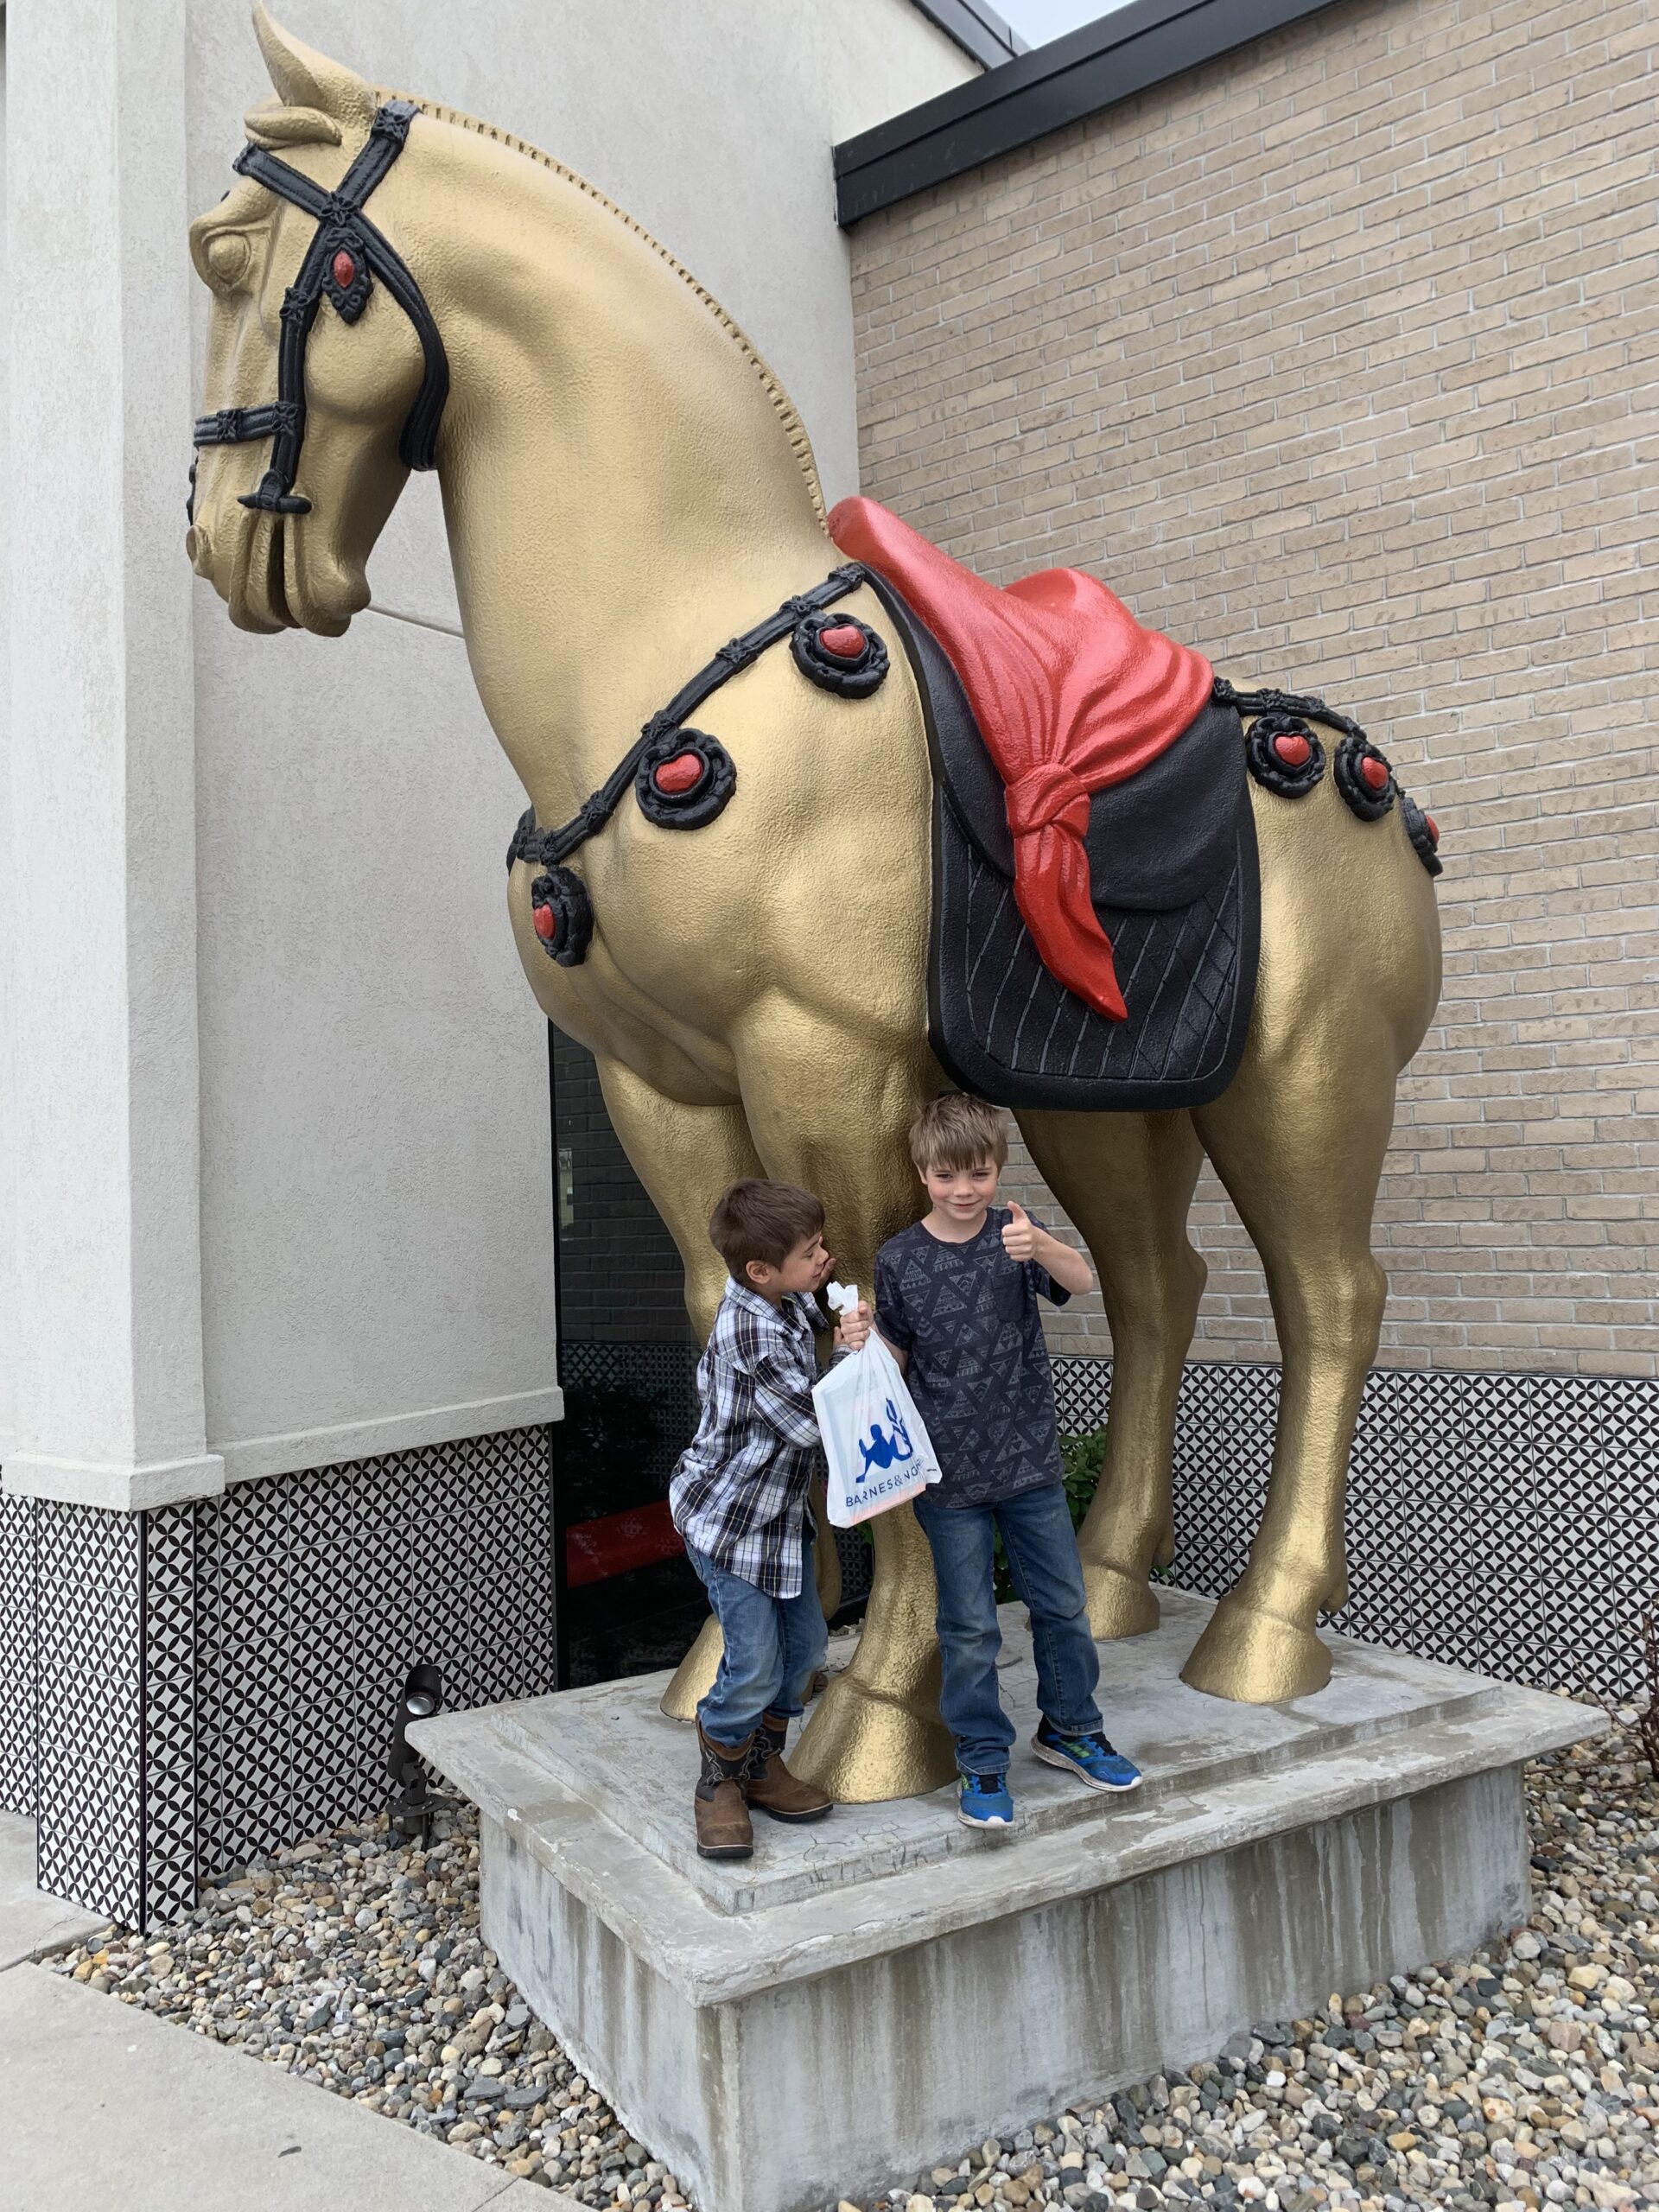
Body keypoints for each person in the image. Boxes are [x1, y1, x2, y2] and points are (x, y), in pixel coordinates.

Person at [841, 1094, 1142, 1830]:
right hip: (947, 1478)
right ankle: (980, 1757)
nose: (964, 1189)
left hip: (1030, 1463)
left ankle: (1071, 1729)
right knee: (970, 1626)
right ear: (922, 1174)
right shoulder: (900, 1258)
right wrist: (859, 1345)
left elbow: (1081, 1282)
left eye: (978, 1173)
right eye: (947, 1176)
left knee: (1062, 1606)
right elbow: (895, 1359)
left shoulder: (1016, 1234)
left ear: (998, 1169)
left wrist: (1042, 1247)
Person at [668, 1178, 860, 1860]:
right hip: (729, 1525)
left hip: (777, 1522)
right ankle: (717, 1777)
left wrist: (833, 1306)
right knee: (752, 1661)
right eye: (811, 1253)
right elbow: (810, 1426)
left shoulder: (780, 1299)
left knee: (805, 1650)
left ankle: (759, 1764)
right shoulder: (750, 1331)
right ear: (759, 1271)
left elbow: (809, 1308)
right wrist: (852, 1351)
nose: (824, 1258)